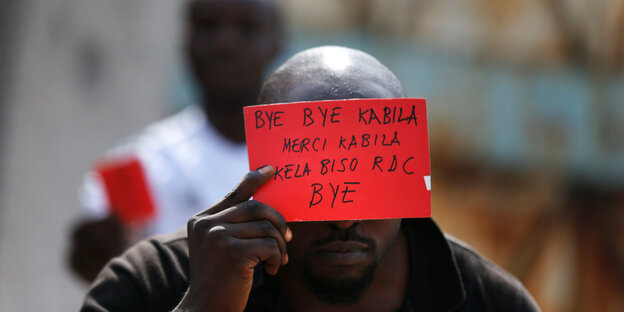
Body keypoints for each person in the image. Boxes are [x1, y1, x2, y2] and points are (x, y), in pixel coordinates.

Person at [81, 46, 540, 311]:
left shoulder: (490, 304)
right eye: (315, 187)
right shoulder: (153, 283)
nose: (344, 220)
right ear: (259, 175)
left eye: (367, 178)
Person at [69, 0, 283, 282]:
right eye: (208, 27)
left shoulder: (303, 161)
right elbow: (106, 271)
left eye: (247, 28)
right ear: (186, 41)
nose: (225, 43)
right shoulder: (140, 162)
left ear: (277, 43)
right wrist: (100, 256)